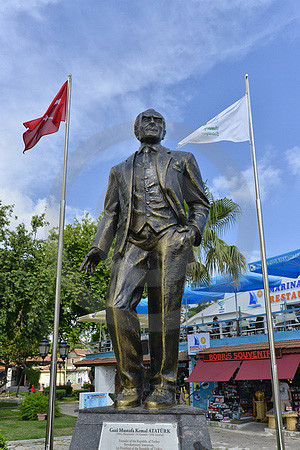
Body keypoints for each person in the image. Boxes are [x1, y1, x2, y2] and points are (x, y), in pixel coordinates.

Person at [80, 109, 210, 409]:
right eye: (146, 120)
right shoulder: (119, 169)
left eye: (158, 121)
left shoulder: (182, 160)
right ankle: (131, 384)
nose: (152, 124)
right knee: (116, 305)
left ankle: (164, 384)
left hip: (170, 236)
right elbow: (111, 212)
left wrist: (191, 231)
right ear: (136, 129)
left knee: (164, 310)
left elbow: (200, 203)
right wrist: (98, 248)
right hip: (133, 241)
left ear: (164, 131)